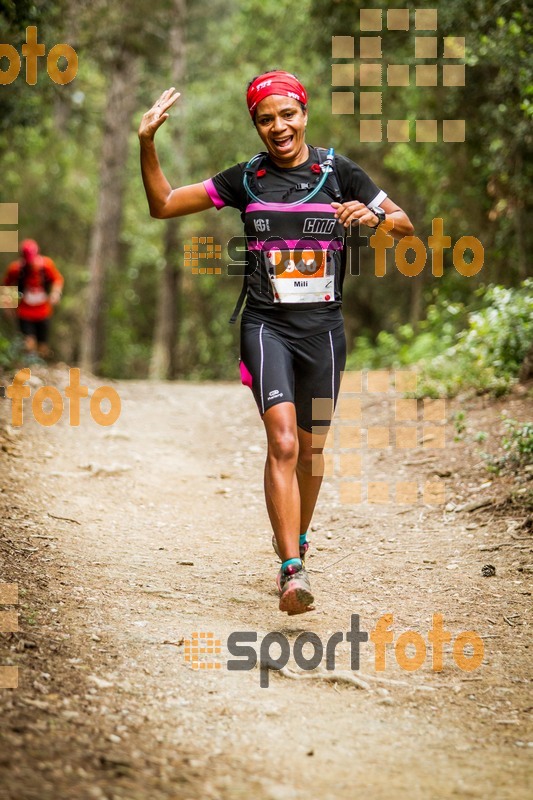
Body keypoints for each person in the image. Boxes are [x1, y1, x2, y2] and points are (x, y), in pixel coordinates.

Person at [139, 70, 414, 616]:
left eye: (287, 115)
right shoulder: (246, 178)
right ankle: (291, 570)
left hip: (324, 332)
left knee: (311, 454)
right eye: (266, 119)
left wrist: (373, 216)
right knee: (283, 443)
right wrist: (146, 143)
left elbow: (403, 224)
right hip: (266, 326)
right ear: (256, 125)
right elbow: (164, 203)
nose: (278, 126)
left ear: (304, 115)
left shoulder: (339, 172)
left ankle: (295, 539)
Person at [2, 239, 63, 359]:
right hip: (25, 311)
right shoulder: (16, 269)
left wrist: (56, 293)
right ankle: (30, 366)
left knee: (42, 346)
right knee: (29, 343)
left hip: (43, 311)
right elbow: (6, 284)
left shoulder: (46, 265)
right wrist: (7, 304)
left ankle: (42, 366)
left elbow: (57, 279)